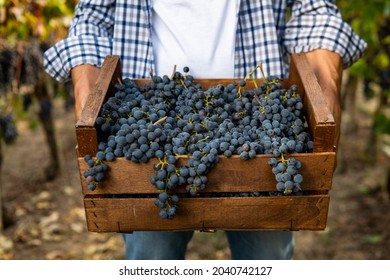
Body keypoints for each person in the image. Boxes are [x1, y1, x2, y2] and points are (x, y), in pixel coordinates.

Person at [43, 0, 366, 260]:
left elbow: (315, 10)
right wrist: (88, 88)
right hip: (147, 115)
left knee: (267, 257)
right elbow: (91, 17)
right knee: (151, 259)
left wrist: (325, 86)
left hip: (260, 106)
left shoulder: (265, 124)